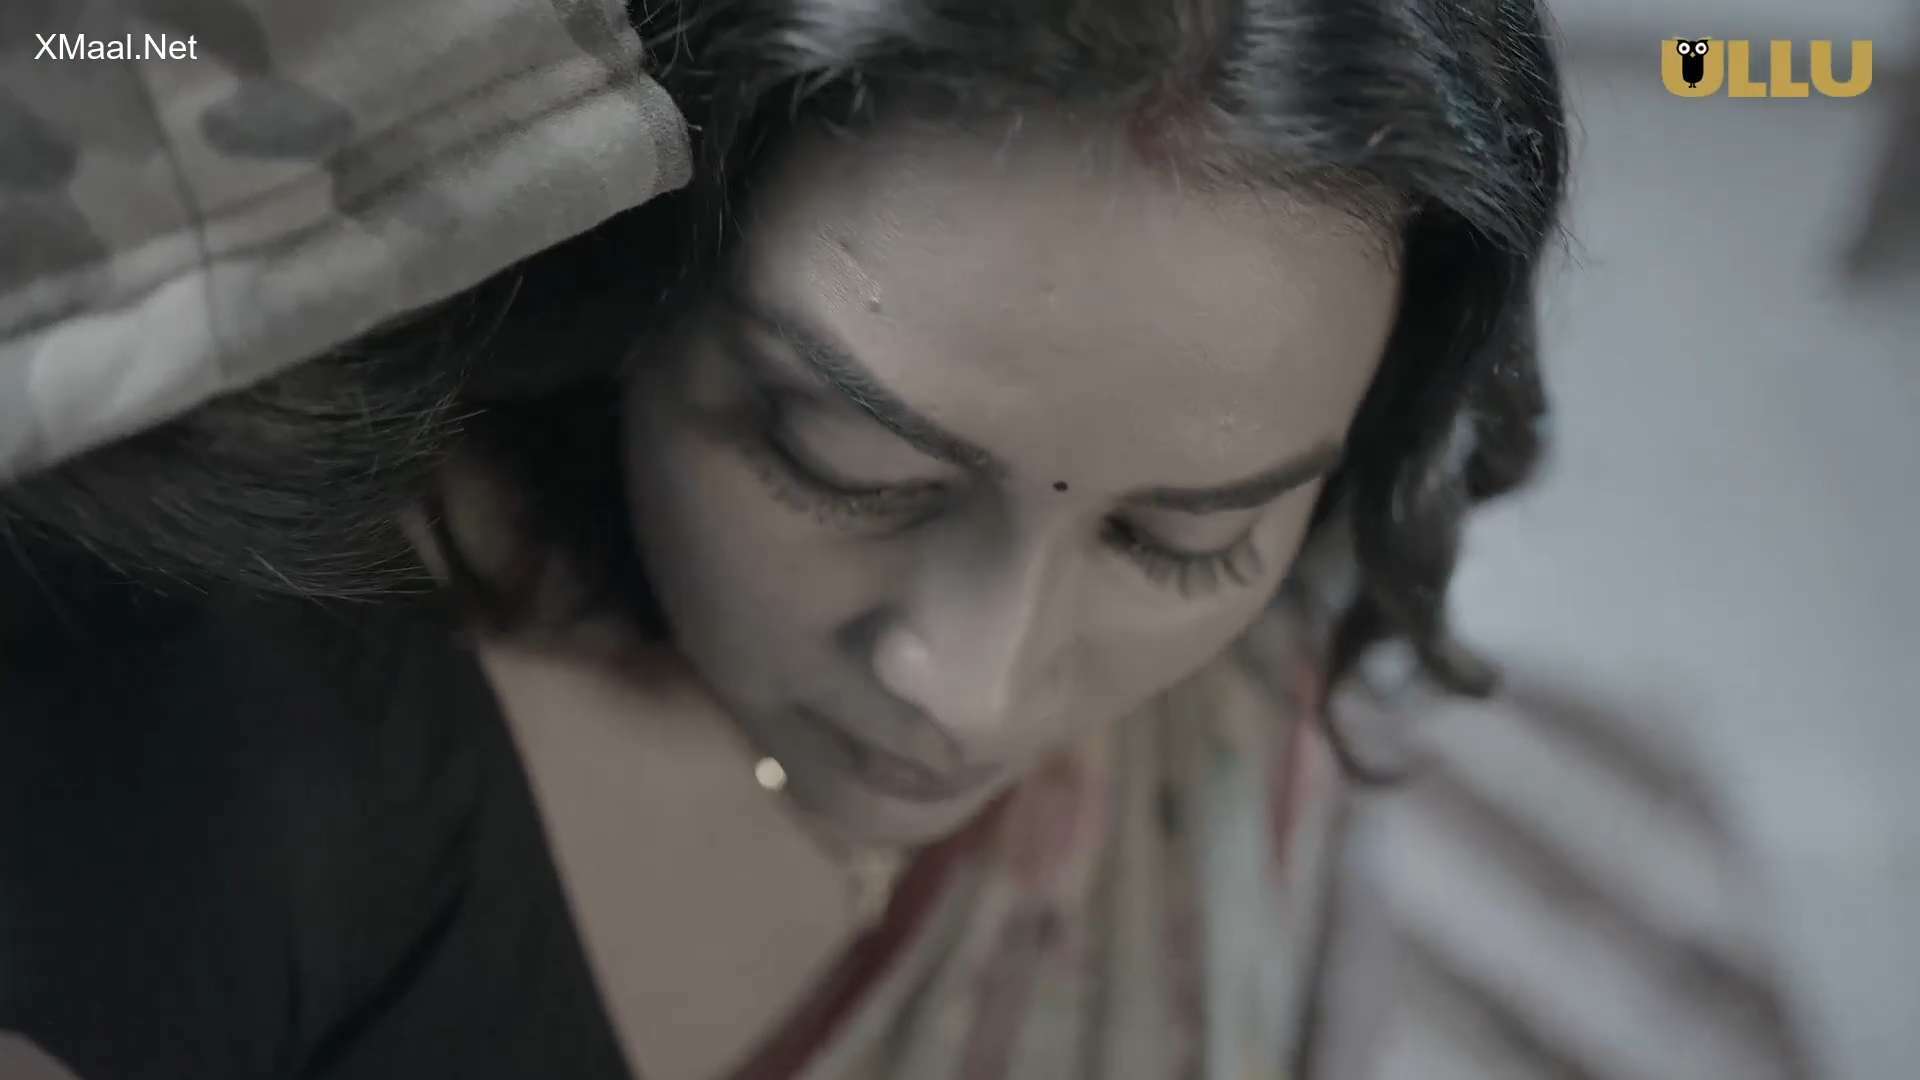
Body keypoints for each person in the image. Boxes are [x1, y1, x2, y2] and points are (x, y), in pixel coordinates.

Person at [0, 0, 1566, 1077]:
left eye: (1178, 543)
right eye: (846, 464)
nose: (971, 690)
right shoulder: (217, 756)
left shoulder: (1263, 707)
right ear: (632, 276)